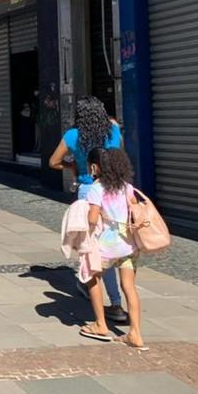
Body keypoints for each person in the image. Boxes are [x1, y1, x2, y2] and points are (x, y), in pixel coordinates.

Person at [50, 96, 127, 323]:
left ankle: (114, 304)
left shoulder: (73, 136)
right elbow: (120, 154)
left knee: (94, 249)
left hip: (89, 192)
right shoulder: (112, 132)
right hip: (115, 191)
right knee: (114, 243)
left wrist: (72, 165)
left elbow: (53, 161)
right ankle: (109, 298)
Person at [79, 148, 147, 351]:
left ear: (94, 166)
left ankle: (100, 324)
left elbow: (92, 218)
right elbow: (134, 210)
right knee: (129, 287)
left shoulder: (96, 189)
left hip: (106, 247)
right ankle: (135, 333)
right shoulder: (126, 187)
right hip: (128, 245)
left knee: (92, 279)